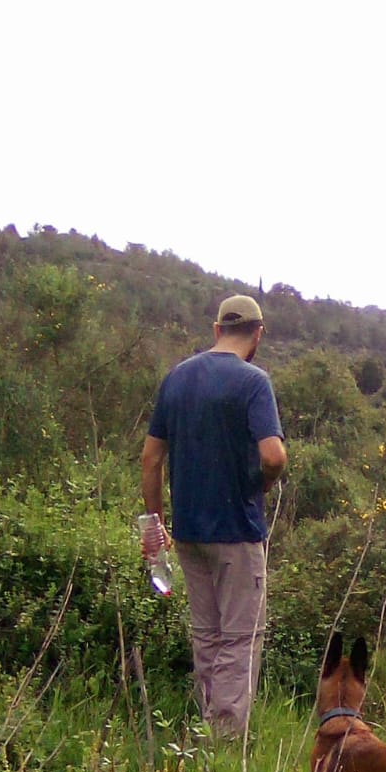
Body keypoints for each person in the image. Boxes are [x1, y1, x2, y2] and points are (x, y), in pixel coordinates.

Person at [140, 294, 287, 737]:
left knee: (207, 635)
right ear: (258, 333)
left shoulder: (177, 378)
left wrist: (156, 522)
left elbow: (150, 459)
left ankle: (205, 732)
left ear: (216, 328)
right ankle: (223, 742)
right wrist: (260, 484)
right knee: (240, 639)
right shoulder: (253, 382)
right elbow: (275, 456)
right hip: (237, 533)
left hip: (187, 533)